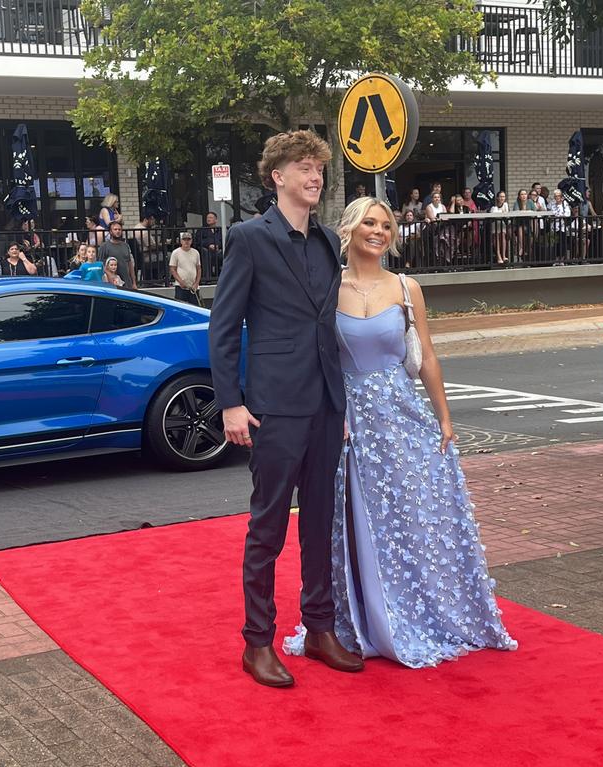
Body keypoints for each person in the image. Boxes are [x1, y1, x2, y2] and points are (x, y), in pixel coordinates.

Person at [284, 197, 517, 668]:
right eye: (369, 223)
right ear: (350, 229)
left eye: (385, 225)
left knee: (414, 517)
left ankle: (423, 611)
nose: (378, 231)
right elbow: (313, 358)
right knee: (356, 520)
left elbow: (427, 356)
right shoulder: (327, 288)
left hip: (403, 415)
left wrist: (445, 418)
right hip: (348, 419)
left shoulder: (407, 288)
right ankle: (367, 617)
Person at [208, 129, 363, 688]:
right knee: (268, 527)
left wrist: (341, 402)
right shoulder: (250, 238)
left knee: (321, 523)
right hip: (274, 406)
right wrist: (230, 403)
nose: (315, 176)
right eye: (303, 167)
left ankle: (320, 629)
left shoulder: (326, 241)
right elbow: (223, 328)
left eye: (319, 168)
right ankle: (257, 643)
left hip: (325, 403)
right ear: (277, 176)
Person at [99, 221, 137, 289]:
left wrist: (134, 282)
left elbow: (130, 264)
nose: (118, 231)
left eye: (119, 229)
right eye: (115, 229)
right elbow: (100, 264)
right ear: (110, 232)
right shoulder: (104, 246)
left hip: (127, 283)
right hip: (112, 284)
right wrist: (110, 275)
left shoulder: (125, 245)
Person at [169, 231, 202, 304]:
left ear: (191, 241)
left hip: (193, 287)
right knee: (180, 308)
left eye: (188, 239)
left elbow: (199, 269)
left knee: (195, 308)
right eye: (184, 239)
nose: (186, 241)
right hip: (180, 287)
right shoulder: (176, 252)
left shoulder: (196, 252)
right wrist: (180, 282)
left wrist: (196, 283)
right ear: (181, 241)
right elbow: (172, 269)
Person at [195, 212, 223, 280]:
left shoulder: (219, 230)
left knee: (224, 254)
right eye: (207, 218)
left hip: (217, 250)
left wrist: (217, 246)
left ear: (216, 220)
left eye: (211, 218)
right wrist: (209, 245)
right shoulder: (202, 230)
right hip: (206, 250)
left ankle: (221, 276)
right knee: (206, 253)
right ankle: (208, 277)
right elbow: (198, 241)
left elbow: (223, 240)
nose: (208, 219)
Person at [490, 190, 510, 264]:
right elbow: (495, 215)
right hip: (495, 224)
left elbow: (506, 215)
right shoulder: (493, 206)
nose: (502, 198)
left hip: (502, 224)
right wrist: (502, 213)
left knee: (503, 236)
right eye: (501, 196)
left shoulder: (505, 205)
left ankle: (504, 256)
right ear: (497, 198)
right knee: (497, 237)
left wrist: (502, 214)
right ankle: (498, 256)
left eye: (503, 197)